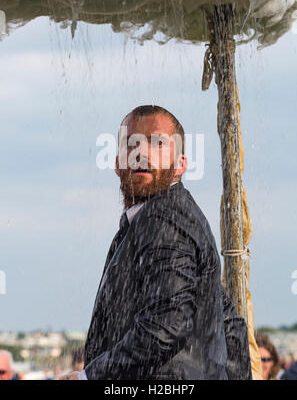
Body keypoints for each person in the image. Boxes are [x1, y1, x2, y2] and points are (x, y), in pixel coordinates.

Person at [59, 105, 251, 380]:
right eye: (131, 144)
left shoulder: (162, 217)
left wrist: (88, 377)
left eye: (158, 144)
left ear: (181, 164)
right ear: (116, 163)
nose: (142, 153)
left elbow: (167, 324)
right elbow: (230, 328)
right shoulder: (174, 215)